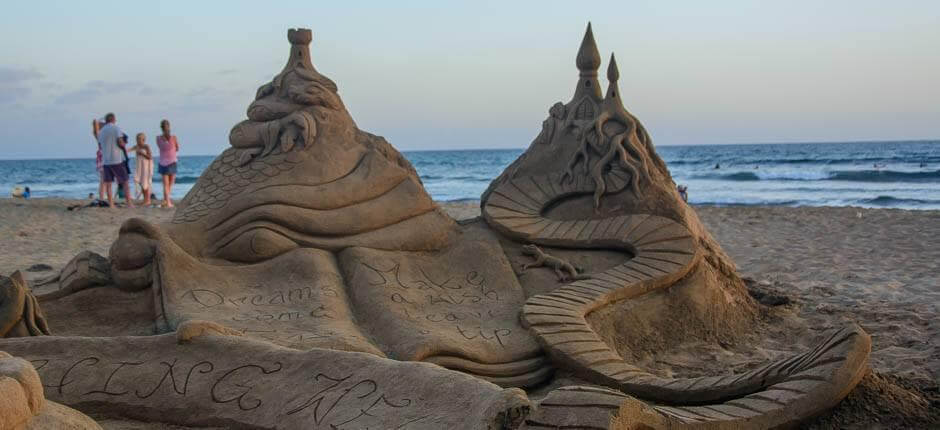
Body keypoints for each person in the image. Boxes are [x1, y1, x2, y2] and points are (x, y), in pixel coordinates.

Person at [96, 113, 134, 208]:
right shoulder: (116, 128)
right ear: (113, 119)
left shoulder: (101, 131)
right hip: (117, 159)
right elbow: (120, 142)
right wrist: (123, 146)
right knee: (125, 181)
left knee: (108, 183)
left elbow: (100, 144)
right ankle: (129, 203)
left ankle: (111, 204)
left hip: (106, 160)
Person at [156, 119, 180, 208]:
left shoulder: (158, 138)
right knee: (170, 184)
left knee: (166, 184)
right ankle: (168, 201)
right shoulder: (173, 137)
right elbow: (177, 148)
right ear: (169, 127)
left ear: (161, 128)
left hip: (163, 162)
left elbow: (160, 147)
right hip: (172, 161)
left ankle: (166, 200)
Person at [129, 133, 154, 206]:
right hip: (139, 167)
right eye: (137, 139)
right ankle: (145, 199)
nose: (138, 141)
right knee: (141, 182)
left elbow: (150, 157)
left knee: (145, 182)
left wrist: (141, 153)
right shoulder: (136, 146)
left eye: (139, 139)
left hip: (146, 167)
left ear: (143, 140)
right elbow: (128, 150)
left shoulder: (146, 146)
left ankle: (148, 200)